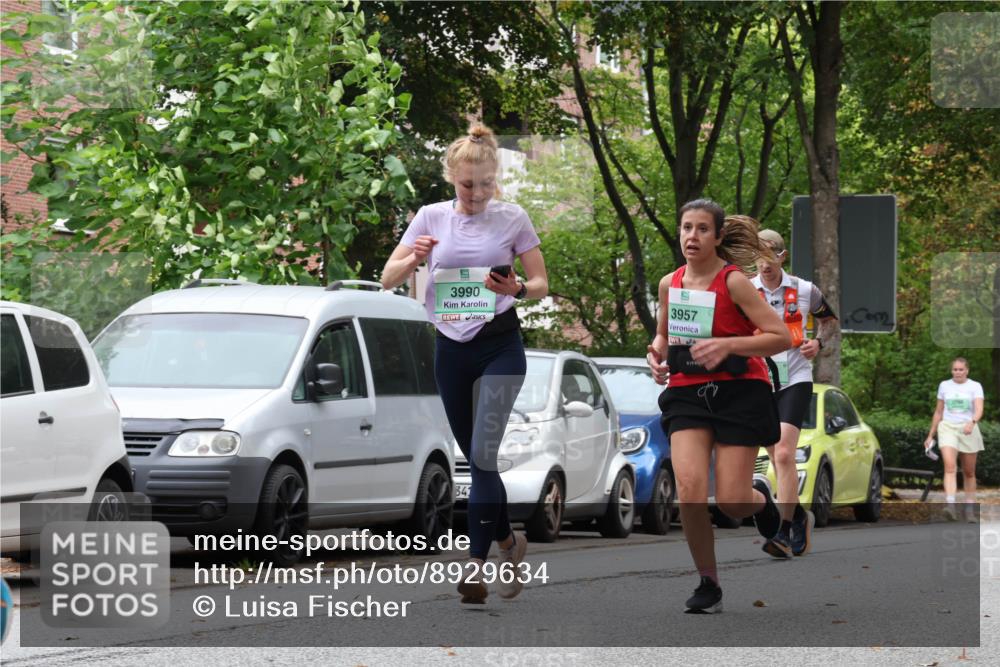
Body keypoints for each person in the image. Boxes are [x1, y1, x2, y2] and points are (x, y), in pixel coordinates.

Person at [381, 123, 549, 604]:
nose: (476, 194)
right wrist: (415, 257)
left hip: (500, 348)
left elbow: (539, 282)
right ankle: (508, 543)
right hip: (451, 349)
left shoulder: (513, 219)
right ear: (451, 179)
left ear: (496, 178)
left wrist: (515, 289)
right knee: (479, 463)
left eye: (485, 184)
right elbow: (389, 278)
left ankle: (475, 565)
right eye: (466, 185)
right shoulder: (430, 218)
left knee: (481, 454)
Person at [647, 201, 791, 614]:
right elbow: (662, 336)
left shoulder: (734, 283)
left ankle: (759, 498)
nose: (692, 236)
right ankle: (708, 582)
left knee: (730, 500)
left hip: (738, 391)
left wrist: (728, 343)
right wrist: (656, 355)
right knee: (690, 489)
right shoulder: (668, 284)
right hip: (688, 392)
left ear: (718, 236)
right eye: (686, 228)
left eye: (702, 229)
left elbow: (779, 336)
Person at [751, 229, 839, 558]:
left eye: (769, 254)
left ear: (781, 256)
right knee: (775, 455)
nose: (764, 263)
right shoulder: (746, 290)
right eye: (757, 255)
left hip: (795, 377)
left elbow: (829, 321)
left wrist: (819, 342)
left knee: (785, 454)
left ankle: (784, 532)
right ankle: (799, 516)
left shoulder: (804, 290)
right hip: (759, 380)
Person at [924, 357, 985, 522]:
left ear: (967, 371)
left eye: (960, 369)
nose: (957, 372)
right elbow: (938, 412)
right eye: (955, 370)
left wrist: (972, 422)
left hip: (968, 429)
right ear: (952, 371)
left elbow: (979, 409)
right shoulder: (944, 385)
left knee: (969, 472)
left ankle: (970, 510)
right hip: (948, 428)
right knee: (950, 467)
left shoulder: (975, 386)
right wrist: (931, 435)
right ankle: (950, 506)